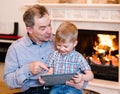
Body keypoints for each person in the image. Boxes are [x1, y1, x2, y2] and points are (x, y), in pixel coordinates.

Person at [4, 4, 86, 94]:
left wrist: (82, 82)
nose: (49, 31)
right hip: (31, 91)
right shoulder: (16, 48)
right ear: (29, 29)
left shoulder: (59, 43)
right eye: (43, 28)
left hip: (58, 88)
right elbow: (9, 82)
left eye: (49, 25)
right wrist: (28, 70)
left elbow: (81, 67)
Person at [41, 21, 94, 94]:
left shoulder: (78, 57)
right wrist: (45, 78)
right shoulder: (54, 55)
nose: (61, 49)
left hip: (73, 88)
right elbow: (50, 71)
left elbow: (90, 75)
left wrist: (82, 77)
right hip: (57, 87)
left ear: (74, 43)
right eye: (59, 45)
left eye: (65, 46)